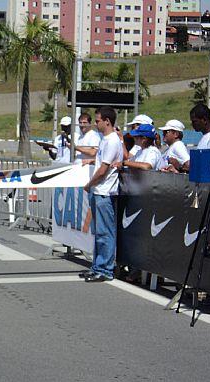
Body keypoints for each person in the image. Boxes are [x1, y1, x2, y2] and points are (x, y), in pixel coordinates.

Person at [81, 106, 124, 282]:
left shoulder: (113, 140)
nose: (96, 124)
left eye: (98, 121)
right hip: (99, 191)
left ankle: (106, 269)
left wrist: (89, 184)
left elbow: (103, 170)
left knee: (105, 233)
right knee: (99, 232)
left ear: (107, 121)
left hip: (105, 191)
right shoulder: (105, 140)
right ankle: (97, 266)